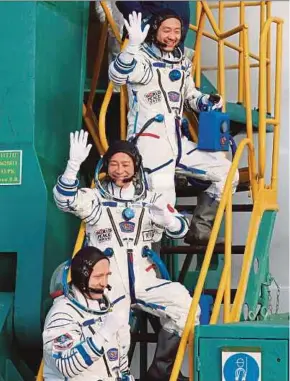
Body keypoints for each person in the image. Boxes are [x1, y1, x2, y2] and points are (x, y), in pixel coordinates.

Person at [53, 130, 200, 381]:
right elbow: (65, 200)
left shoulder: (151, 199)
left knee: (185, 306)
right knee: (116, 332)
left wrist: (166, 219)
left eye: (125, 164)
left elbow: (182, 229)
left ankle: (161, 372)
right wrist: (72, 165)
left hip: (143, 279)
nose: (119, 170)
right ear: (105, 166)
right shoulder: (96, 199)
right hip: (108, 284)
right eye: (113, 164)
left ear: (136, 167)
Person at [108, 11, 239, 245]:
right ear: (156, 30)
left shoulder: (182, 62)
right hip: (150, 143)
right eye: (167, 30)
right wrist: (131, 47)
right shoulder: (142, 59)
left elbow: (190, 96)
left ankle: (200, 228)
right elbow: (118, 75)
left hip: (177, 141)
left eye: (177, 31)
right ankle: (148, 259)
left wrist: (206, 101)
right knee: (161, 200)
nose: (172, 36)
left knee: (228, 173)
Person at [43, 246, 134, 380]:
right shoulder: (62, 314)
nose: (104, 283)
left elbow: (120, 366)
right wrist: (104, 333)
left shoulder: (105, 308)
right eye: (98, 276)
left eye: (106, 275)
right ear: (82, 277)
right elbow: (66, 365)